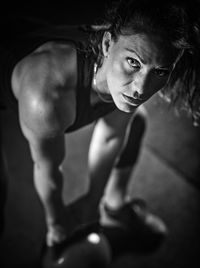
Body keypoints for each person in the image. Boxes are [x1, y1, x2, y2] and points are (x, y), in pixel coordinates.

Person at [0, 0, 200, 249]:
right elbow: (47, 168)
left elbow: (110, 135)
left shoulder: (134, 66)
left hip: (25, 34)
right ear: (107, 45)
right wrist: (57, 223)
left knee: (135, 121)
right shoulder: (46, 97)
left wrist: (91, 204)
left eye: (159, 72)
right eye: (134, 63)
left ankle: (113, 209)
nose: (141, 88)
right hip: (15, 56)